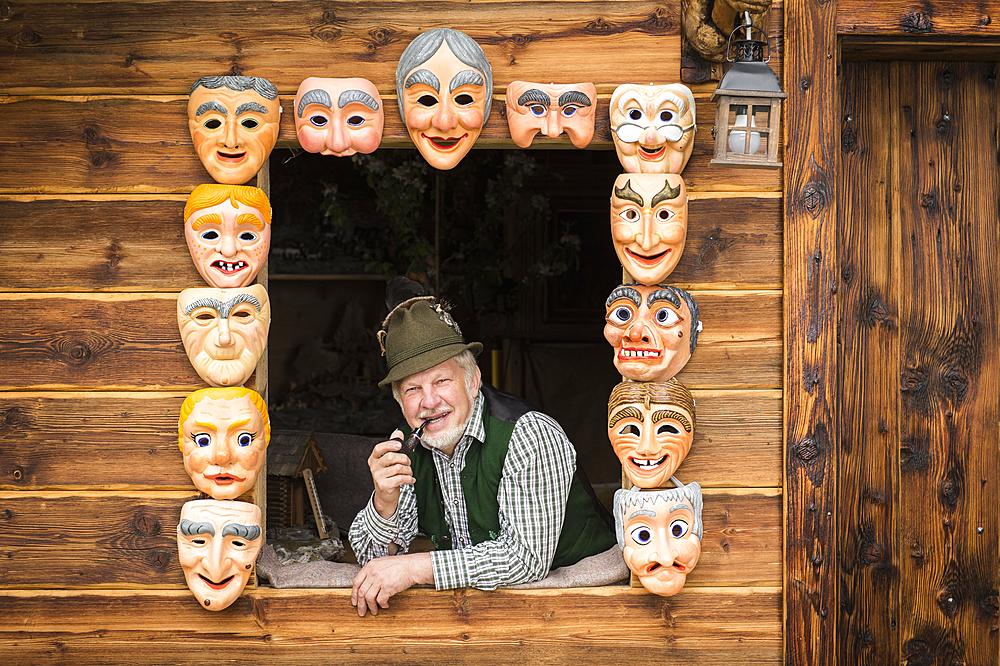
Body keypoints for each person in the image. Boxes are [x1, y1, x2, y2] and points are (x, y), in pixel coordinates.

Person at [349, 295, 616, 616]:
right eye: (413, 389)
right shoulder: (410, 447)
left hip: (586, 608)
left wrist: (414, 567)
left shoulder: (528, 434)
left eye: (441, 381)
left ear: (472, 381)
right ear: (400, 402)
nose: (429, 401)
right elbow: (373, 561)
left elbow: (524, 558)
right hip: (485, 615)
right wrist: (385, 501)